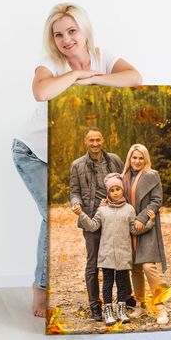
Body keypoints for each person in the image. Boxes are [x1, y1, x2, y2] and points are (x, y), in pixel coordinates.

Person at [12, 2, 142, 318]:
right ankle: (41, 288)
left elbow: (135, 77)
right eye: (58, 35)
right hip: (32, 152)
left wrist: (93, 77)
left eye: (72, 31)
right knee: (52, 217)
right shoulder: (51, 63)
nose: (67, 40)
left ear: (84, 30)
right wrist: (76, 74)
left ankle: (108, 291)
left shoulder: (103, 55)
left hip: (64, 153)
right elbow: (41, 92)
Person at [70, 128, 135, 321]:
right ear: (86, 142)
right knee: (93, 263)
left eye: (98, 140)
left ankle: (127, 297)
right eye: (91, 140)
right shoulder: (78, 165)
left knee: (122, 256)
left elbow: (126, 183)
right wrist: (76, 203)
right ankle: (95, 305)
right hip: (92, 218)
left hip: (116, 217)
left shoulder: (114, 160)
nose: (95, 144)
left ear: (103, 140)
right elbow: (74, 191)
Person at [121, 144, 169, 324]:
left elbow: (156, 201)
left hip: (147, 225)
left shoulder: (152, 175)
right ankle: (140, 305)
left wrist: (141, 219)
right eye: (134, 157)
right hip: (129, 227)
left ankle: (161, 307)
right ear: (129, 159)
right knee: (135, 267)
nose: (137, 161)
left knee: (149, 266)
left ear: (146, 159)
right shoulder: (124, 176)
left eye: (141, 158)